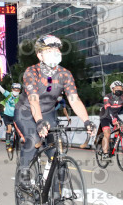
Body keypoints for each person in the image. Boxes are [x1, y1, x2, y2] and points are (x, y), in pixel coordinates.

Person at [13, 35, 95, 196]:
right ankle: (24, 172)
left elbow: (74, 100)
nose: (55, 53)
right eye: (49, 51)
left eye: (57, 50)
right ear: (40, 55)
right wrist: (39, 122)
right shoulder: (31, 72)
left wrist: (87, 121)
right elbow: (33, 100)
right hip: (26, 111)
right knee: (34, 139)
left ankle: (57, 196)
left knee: (59, 153)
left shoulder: (65, 74)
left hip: (49, 112)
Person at [99, 81, 123, 160]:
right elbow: (108, 109)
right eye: (117, 88)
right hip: (105, 116)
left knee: (121, 128)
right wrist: (113, 119)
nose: (119, 90)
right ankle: (105, 153)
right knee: (107, 133)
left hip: (114, 115)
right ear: (112, 89)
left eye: (120, 88)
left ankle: (112, 143)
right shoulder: (107, 97)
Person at [0, 78, 21, 148]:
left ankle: (17, 143)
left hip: (16, 116)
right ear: (12, 89)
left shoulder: (20, 97)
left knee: (18, 130)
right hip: (7, 115)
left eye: (17, 90)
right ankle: (7, 143)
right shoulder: (8, 94)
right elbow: (0, 88)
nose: (16, 91)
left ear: (19, 91)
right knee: (9, 129)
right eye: (14, 90)